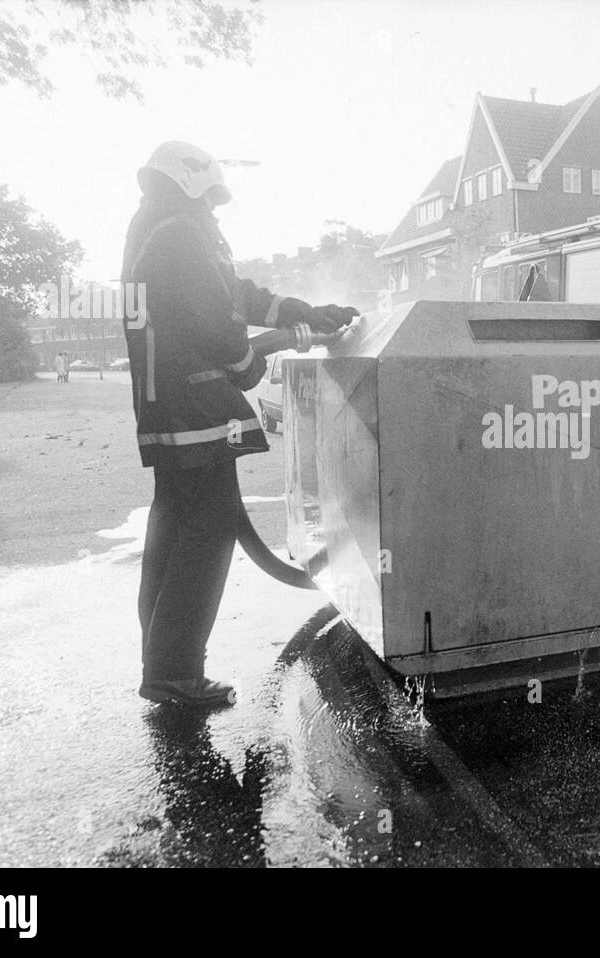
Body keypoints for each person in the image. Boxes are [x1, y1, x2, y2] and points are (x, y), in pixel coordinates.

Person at [122, 140, 358, 707]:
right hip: (196, 404)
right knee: (208, 529)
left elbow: (232, 294)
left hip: (167, 405)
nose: (215, 207)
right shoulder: (180, 231)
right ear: (191, 182)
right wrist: (248, 362)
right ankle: (176, 671)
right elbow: (215, 318)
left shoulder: (154, 227)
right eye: (211, 196)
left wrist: (301, 313)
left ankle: (162, 659)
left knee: (174, 525)